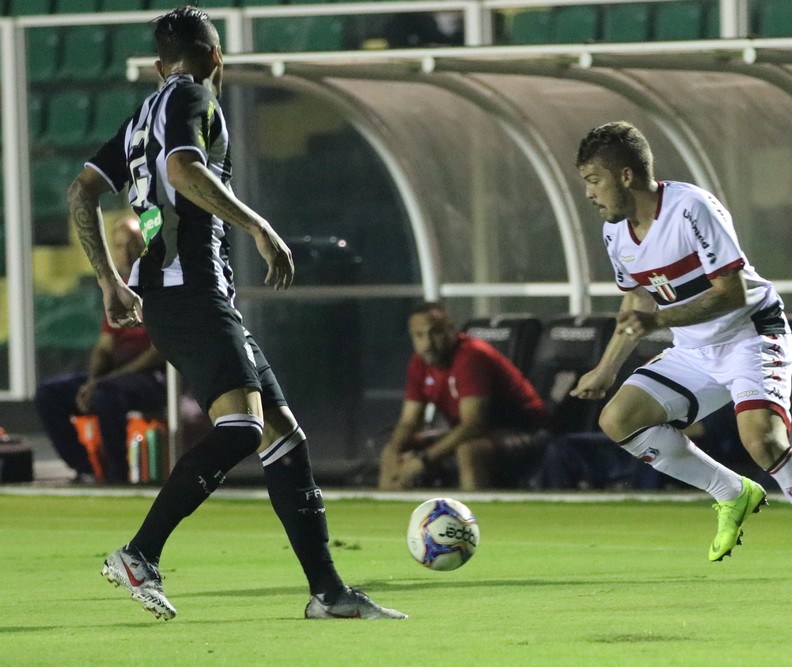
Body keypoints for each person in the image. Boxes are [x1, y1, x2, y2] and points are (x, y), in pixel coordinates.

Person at [67, 6, 404, 621]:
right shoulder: (193, 94)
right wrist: (257, 224)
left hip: (180, 295)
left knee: (283, 437)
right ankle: (140, 553)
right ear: (216, 58)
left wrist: (111, 282)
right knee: (244, 429)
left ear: (158, 63)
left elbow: (82, 189)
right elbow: (182, 168)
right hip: (188, 291)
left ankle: (328, 594)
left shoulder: (142, 116)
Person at [569, 121, 792, 578]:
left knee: (764, 441)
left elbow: (731, 293)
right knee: (618, 419)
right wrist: (606, 368)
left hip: (751, 335)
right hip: (694, 348)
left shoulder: (691, 207)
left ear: (626, 176)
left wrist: (660, 319)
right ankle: (732, 492)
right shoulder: (616, 234)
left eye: (594, 181)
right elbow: (636, 301)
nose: (590, 194)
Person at [34, 215, 166, 484]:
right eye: (116, 245)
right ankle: (87, 468)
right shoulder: (117, 292)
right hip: (113, 378)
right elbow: (104, 347)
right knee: (49, 394)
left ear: (142, 246)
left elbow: (158, 352)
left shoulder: (159, 288)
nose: (122, 252)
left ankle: (117, 476)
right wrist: (93, 381)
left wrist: (103, 382)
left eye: (129, 244)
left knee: (106, 395)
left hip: (154, 379)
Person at [378, 302, 548, 491]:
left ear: (451, 330)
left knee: (469, 451)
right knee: (391, 451)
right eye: (419, 336)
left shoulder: (471, 356)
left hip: (525, 431)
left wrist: (423, 460)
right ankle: (390, 518)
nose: (427, 344)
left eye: (435, 333)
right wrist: (394, 451)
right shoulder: (419, 363)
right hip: (483, 432)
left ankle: (474, 518)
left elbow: (474, 424)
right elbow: (409, 421)